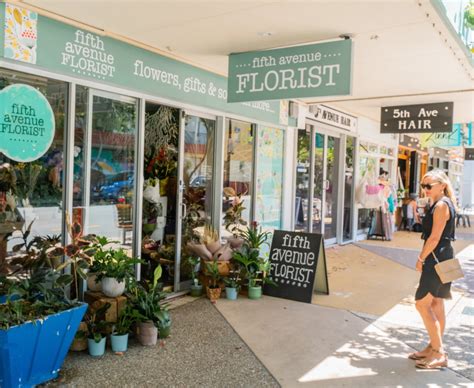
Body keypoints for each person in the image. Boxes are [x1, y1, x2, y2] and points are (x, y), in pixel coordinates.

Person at [409, 170, 457, 369]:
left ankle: (439, 352)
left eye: (429, 185)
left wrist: (421, 258)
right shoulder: (440, 203)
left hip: (437, 257)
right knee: (436, 302)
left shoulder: (441, 205)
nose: (425, 189)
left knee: (421, 303)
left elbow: (434, 238)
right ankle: (432, 347)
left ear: (442, 185)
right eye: (423, 185)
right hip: (444, 256)